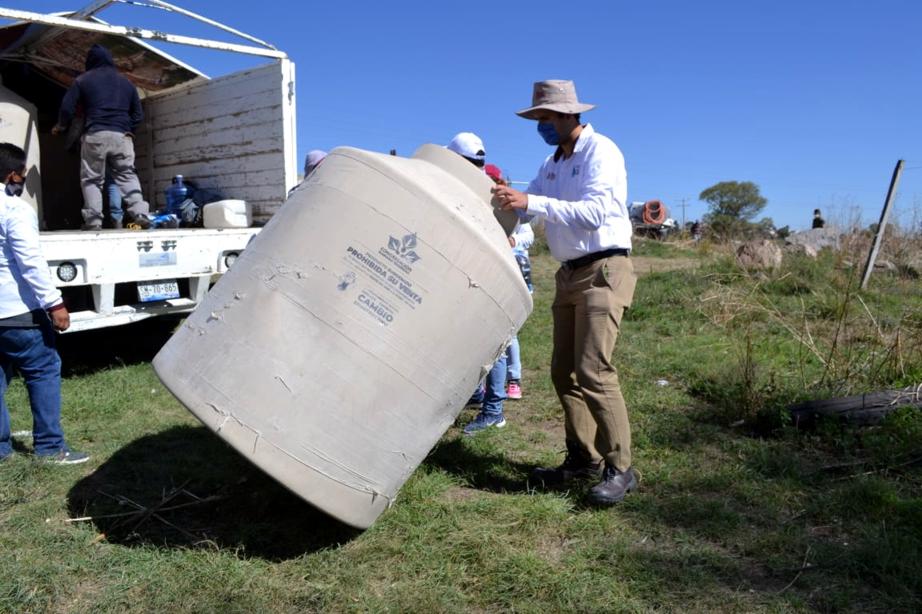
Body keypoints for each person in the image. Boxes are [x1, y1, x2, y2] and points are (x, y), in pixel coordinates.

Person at [493, 80, 638, 506]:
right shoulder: (552, 163)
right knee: (563, 372)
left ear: (569, 115)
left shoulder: (601, 152)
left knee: (593, 371)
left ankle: (620, 468)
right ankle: (582, 458)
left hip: (603, 269)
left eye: (547, 118)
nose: (542, 126)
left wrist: (530, 202)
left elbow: (593, 214)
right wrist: (506, 204)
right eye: (538, 119)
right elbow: (529, 206)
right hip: (569, 274)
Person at [0, 143, 89, 464]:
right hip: (18, 311)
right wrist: (54, 304)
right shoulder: (14, 209)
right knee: (43, 370)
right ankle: (50, 447)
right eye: (22, 174)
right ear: (13, 175)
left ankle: (1, 450)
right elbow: (30, 262)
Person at [52, 44, 151, 230]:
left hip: (96, 134)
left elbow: (67, 108)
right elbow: (138, 115)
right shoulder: (127, 83)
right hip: (123, 137)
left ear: (90, 61)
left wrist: (62, 126)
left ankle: (94, 222)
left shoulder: (83, 80)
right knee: (127, 175)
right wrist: (127, 130)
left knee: (92, 179)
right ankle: (140, 213)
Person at [447, 134, 507, 434]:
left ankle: (494, 411)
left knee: (494, 346)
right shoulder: (472, 188)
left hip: (483, 275)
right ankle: (475, 396)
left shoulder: (488, 193)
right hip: (463, 273)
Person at [485, 164, 533, 401]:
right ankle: (486, 385)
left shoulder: (512, 204)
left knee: (509, 332)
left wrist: (513, 241)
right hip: (492, 271)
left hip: (515, 270)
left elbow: (528, 236)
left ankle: (514, 380)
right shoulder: (484, 203)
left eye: (493, 180)